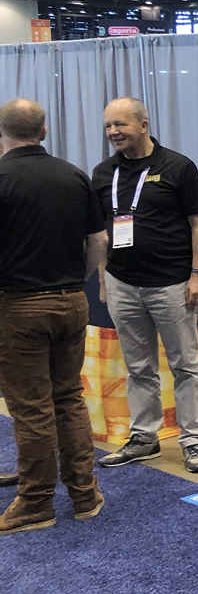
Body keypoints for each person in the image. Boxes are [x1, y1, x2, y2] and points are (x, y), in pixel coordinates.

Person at [0, 99, 108, 534]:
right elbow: (98, 242)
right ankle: (85, 494)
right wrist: (72, 281)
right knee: (67, 397)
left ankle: (36, 502)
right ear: (43, 132)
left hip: (18, 307)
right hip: (71, 302)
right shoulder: (74, 175)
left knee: (30, 407)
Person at [91, 98, 198, 474]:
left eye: (121, 125)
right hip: (123, 283)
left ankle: (192, 439)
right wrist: (103, 276)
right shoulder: (102, 172)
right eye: (109, 126)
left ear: (143, 124)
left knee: (185, 365)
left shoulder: (177, 167)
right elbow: (98, 232)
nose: (114, 132)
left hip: (172, 284)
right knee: (138, 366)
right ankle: (144, 437)